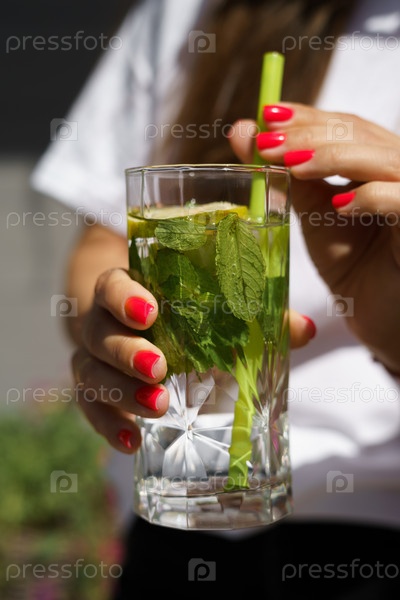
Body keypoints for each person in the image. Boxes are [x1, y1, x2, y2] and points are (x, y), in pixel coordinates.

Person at [31, 0, 400, 596]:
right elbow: (104, 243)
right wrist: (115, 334)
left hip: (375, 520)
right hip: (175, 520)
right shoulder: (189, 10)